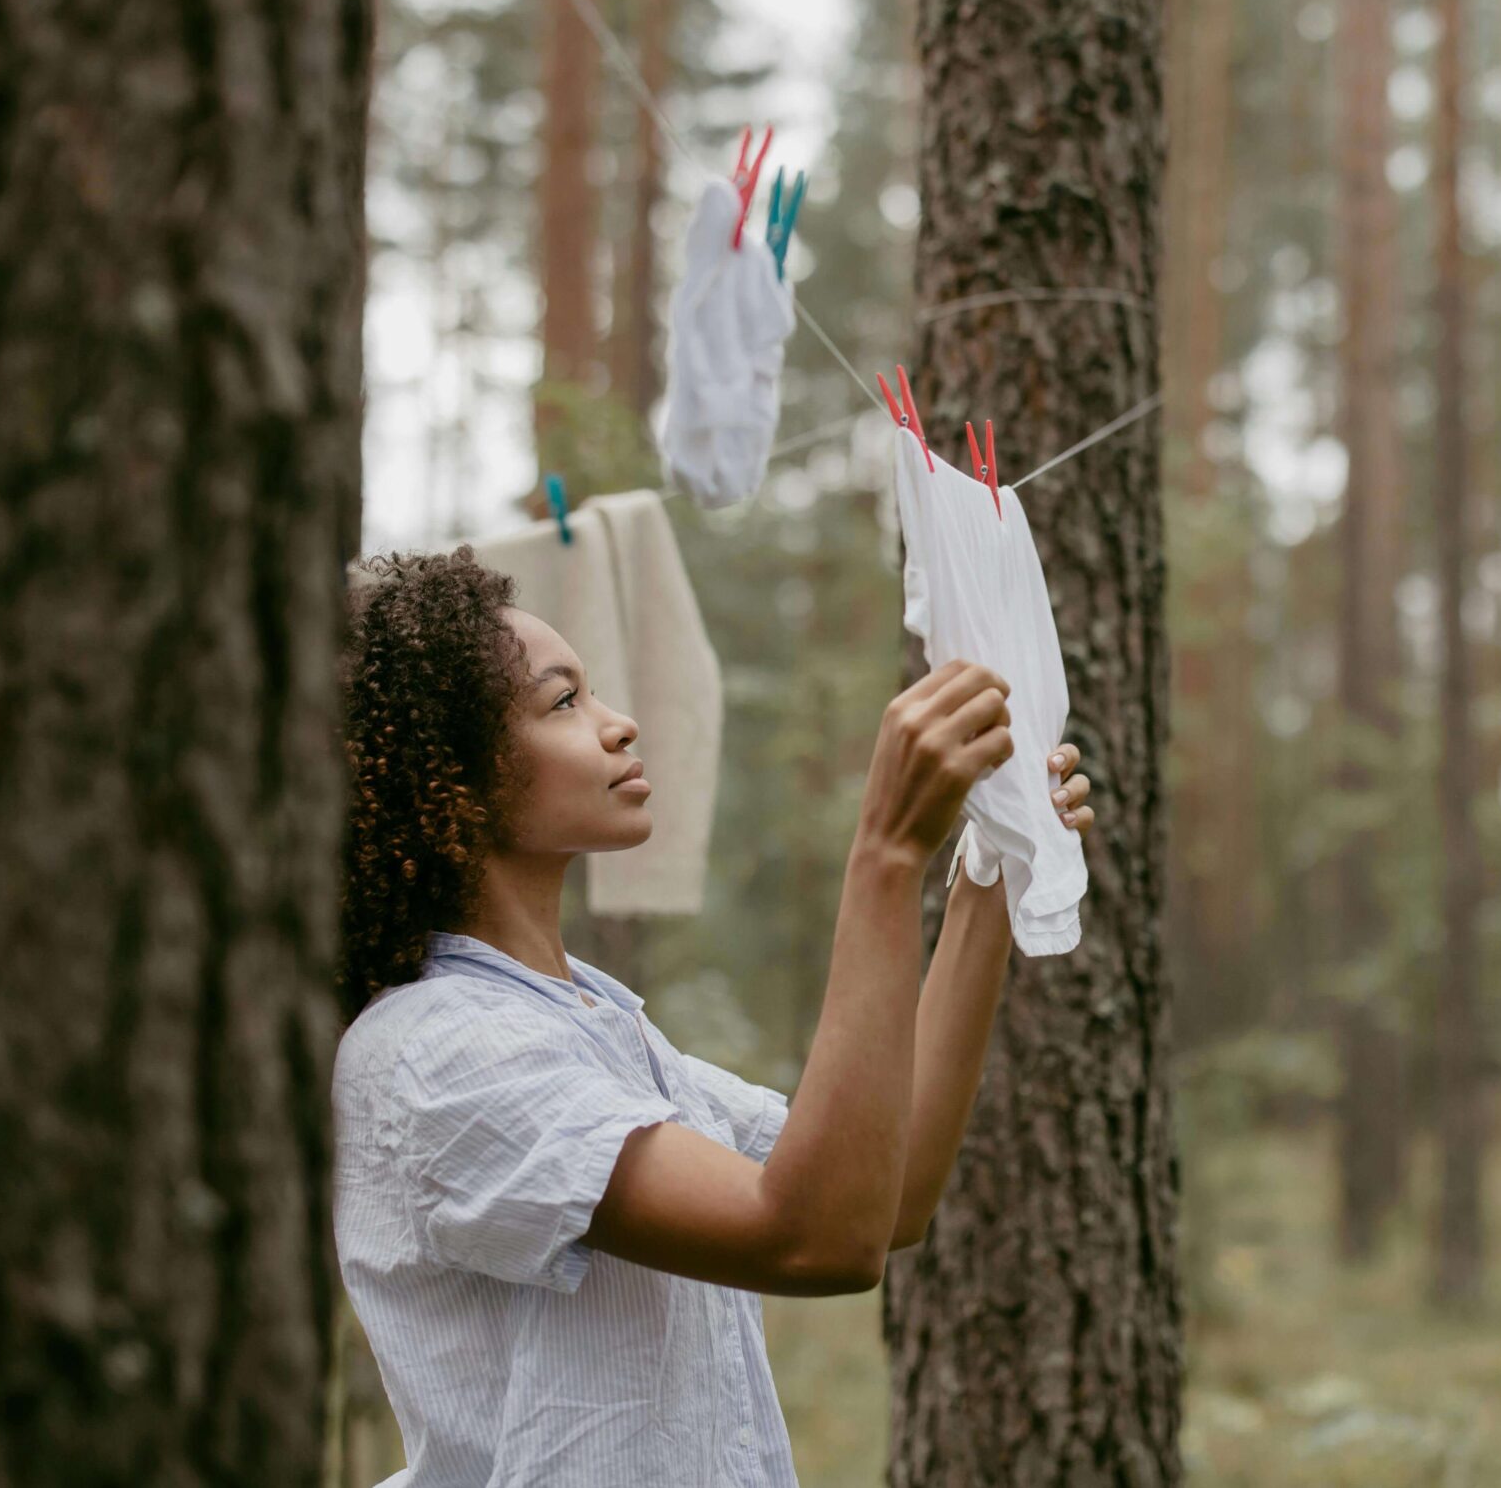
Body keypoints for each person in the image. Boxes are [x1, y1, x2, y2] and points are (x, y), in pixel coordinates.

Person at [328, 546, 1094, 1486]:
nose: (619, 725)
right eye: (564, 702)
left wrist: (989, 867)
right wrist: (887, 853)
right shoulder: (435, 1052)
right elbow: (812, 1238)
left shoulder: (597, 1023)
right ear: (444, 773)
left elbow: (885, 1201)